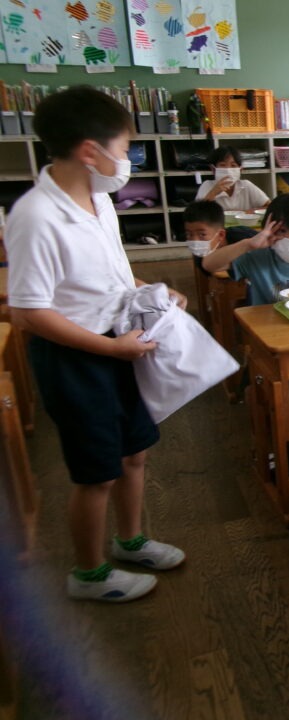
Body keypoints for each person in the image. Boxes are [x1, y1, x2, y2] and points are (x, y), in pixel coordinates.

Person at [5, 86, 188, 602]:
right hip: (76, 358)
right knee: (96, 474)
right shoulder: (36, 216)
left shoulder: (99, 199)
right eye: (125, 147)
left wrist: (152, 291)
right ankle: (87, 575)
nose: (128, 159)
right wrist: (109, 350)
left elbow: (110, 275)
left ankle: (130, 540)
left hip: (118, 342)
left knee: (134, 453)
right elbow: (28, 312)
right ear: (90, 150)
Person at [195, 146, 270, 211]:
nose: (228, 170)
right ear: (213, 169)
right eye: (222, 165)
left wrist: (249, 212)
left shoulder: (246, 185)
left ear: (240, 170)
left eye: (233, 165)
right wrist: (213, 193)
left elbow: (269, 206)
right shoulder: (207, 185)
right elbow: (196, 214)